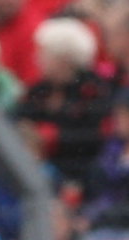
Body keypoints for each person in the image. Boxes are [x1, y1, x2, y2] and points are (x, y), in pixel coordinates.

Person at [15, 17, 109, 188]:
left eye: (44, 53)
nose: (37, 58)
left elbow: (92, 135)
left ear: (63, 58)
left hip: (78, 172)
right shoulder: (37, 91)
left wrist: (52, 137)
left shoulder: (92, 90)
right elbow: (19, 120)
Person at [84, 85, 129, 233]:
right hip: (100, 224)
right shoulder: (108, 152)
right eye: (117, 115)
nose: (118, 120)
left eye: (126, 115)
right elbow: (95, 195)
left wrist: (103, 217)